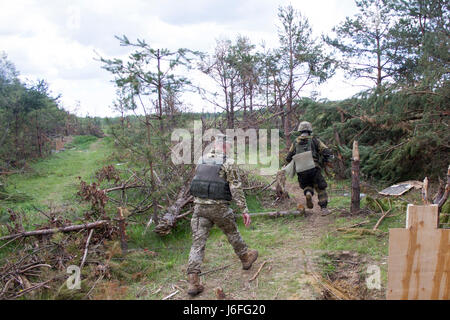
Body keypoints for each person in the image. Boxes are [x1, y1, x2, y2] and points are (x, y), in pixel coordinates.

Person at [186, 138, 258, 297]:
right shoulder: (228, 162)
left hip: (199, 207)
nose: (230, 149)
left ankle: (193, 281)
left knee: (197, 243)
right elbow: (236, 187)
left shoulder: (201, 160)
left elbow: (197, 182)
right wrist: (244, 210)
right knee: (232, 233)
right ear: (224, 147)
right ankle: (245, 258)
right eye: (229, 147)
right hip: (219, 207)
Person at [286, 121, 333, 216]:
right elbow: (326, 151)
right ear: (309, 130)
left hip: (301, 169)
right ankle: (324, 209)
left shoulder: (295, 142)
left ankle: (308, 193)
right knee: (320, 188)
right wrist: (327, 159)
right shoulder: (314, 140)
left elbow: (288, 157)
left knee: (307, 185)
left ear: (300, 130)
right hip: (314, 167)